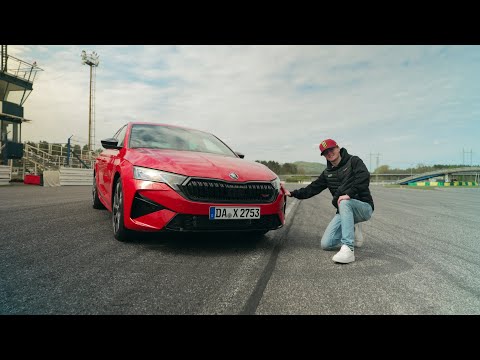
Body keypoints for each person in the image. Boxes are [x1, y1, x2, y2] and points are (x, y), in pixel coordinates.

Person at [283, 139, 374, 264]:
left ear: (338, 148)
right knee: (326, 244)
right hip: (344, 209)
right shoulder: (327, 173)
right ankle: (352, 227)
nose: (329, 153)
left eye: (331, 149)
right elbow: (312, 188)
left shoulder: (354, 161)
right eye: (326, 152)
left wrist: (349, 194)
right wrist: (293, 193)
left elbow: (364, 177)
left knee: (344, 202)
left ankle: (348, 249)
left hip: (363, 206)